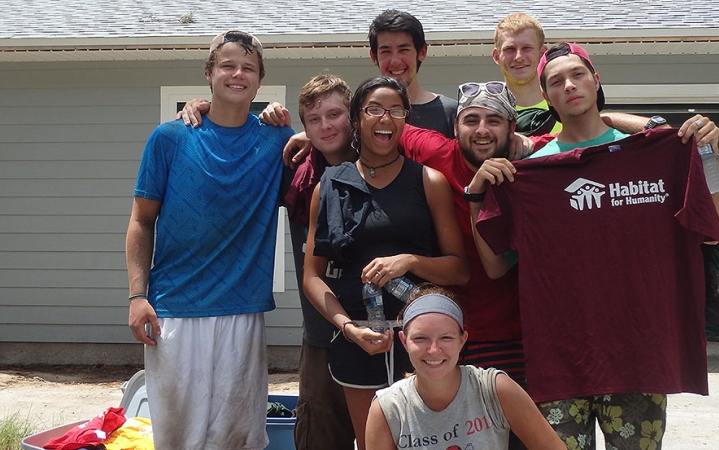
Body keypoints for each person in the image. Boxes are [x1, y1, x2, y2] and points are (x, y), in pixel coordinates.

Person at [468, 42, 719, 450]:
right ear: (546, 96)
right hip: (560, 360)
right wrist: (476, 198)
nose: (569, 85)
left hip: (638, 356)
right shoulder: (531, 174)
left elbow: (710, 229)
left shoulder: (654, 153)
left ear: (596, 80)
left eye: (577, 75)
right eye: (555, 81)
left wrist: (708, 155)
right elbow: (497, 266)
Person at [125, 30, 295, 450]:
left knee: (236, 436)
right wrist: (136, 296)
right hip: (174, 310)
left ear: (258, 80)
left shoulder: (278, 141)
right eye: (228, 65)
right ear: (208, 73)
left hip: (243, 309)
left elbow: (330, 148)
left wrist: (289, 124)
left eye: (248, 68)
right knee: (177, 437)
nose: (238, 74)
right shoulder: (170, 138)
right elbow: (142, 221)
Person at [303, 75, 469, 450]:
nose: (385, 118)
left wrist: (409, 261)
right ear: (357, 119)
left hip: (425, 343)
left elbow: (460, 269)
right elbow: (312, 277)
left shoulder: (429, 181)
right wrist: (347, 328)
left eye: (396, 110)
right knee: (375, 445)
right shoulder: (328, 187)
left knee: (431, 442)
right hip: (360, 340)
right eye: (374, 109)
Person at [366, 287, 567, 450]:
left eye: (446, 338)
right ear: (403, 341)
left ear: (463, 340)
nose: (434, 350)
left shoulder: (495, 389)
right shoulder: (387, 409)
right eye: (420, 338)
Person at [284, 73, 357, 450]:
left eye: (335, 114)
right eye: (314, 119)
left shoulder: (384, 163)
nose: (326, 125)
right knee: (319, 436)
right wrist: (200, 106)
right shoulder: (295, 173)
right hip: (320, 335)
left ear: (353, 115)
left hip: (379, 330)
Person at [492, 13, 650, 137]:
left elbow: (595, 125)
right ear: (497, 56)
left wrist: (654, 125)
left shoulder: (567, 101)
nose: (518, 56)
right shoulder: (485, 114)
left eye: (527, 48)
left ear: (542, 54)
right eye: (509, 49)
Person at [369, 9, 457, 138]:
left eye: (403, 50)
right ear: (374, 57)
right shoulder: (365, 116)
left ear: (422, 52)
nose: (395, 61)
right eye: (386, 52)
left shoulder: (451, 113)